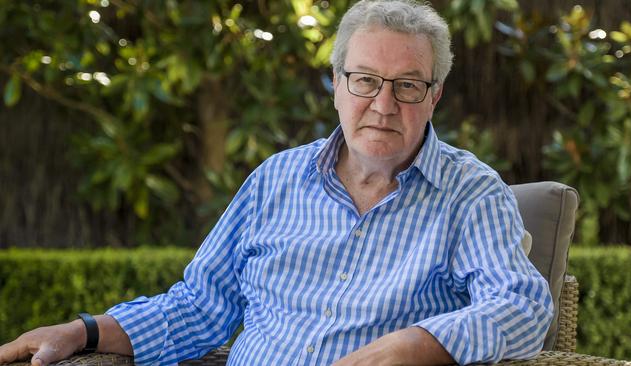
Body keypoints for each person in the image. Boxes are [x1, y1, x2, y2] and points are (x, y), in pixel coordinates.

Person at [0, 0, 554, 365]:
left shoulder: (471, 193)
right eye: (364, 80)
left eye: (408, 85)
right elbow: (199, 306)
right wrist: (85, 332)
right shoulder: (275, 179)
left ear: (435, 97)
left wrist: (421, 343)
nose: (383, 105)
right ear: (336, 85)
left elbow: (524, 307)